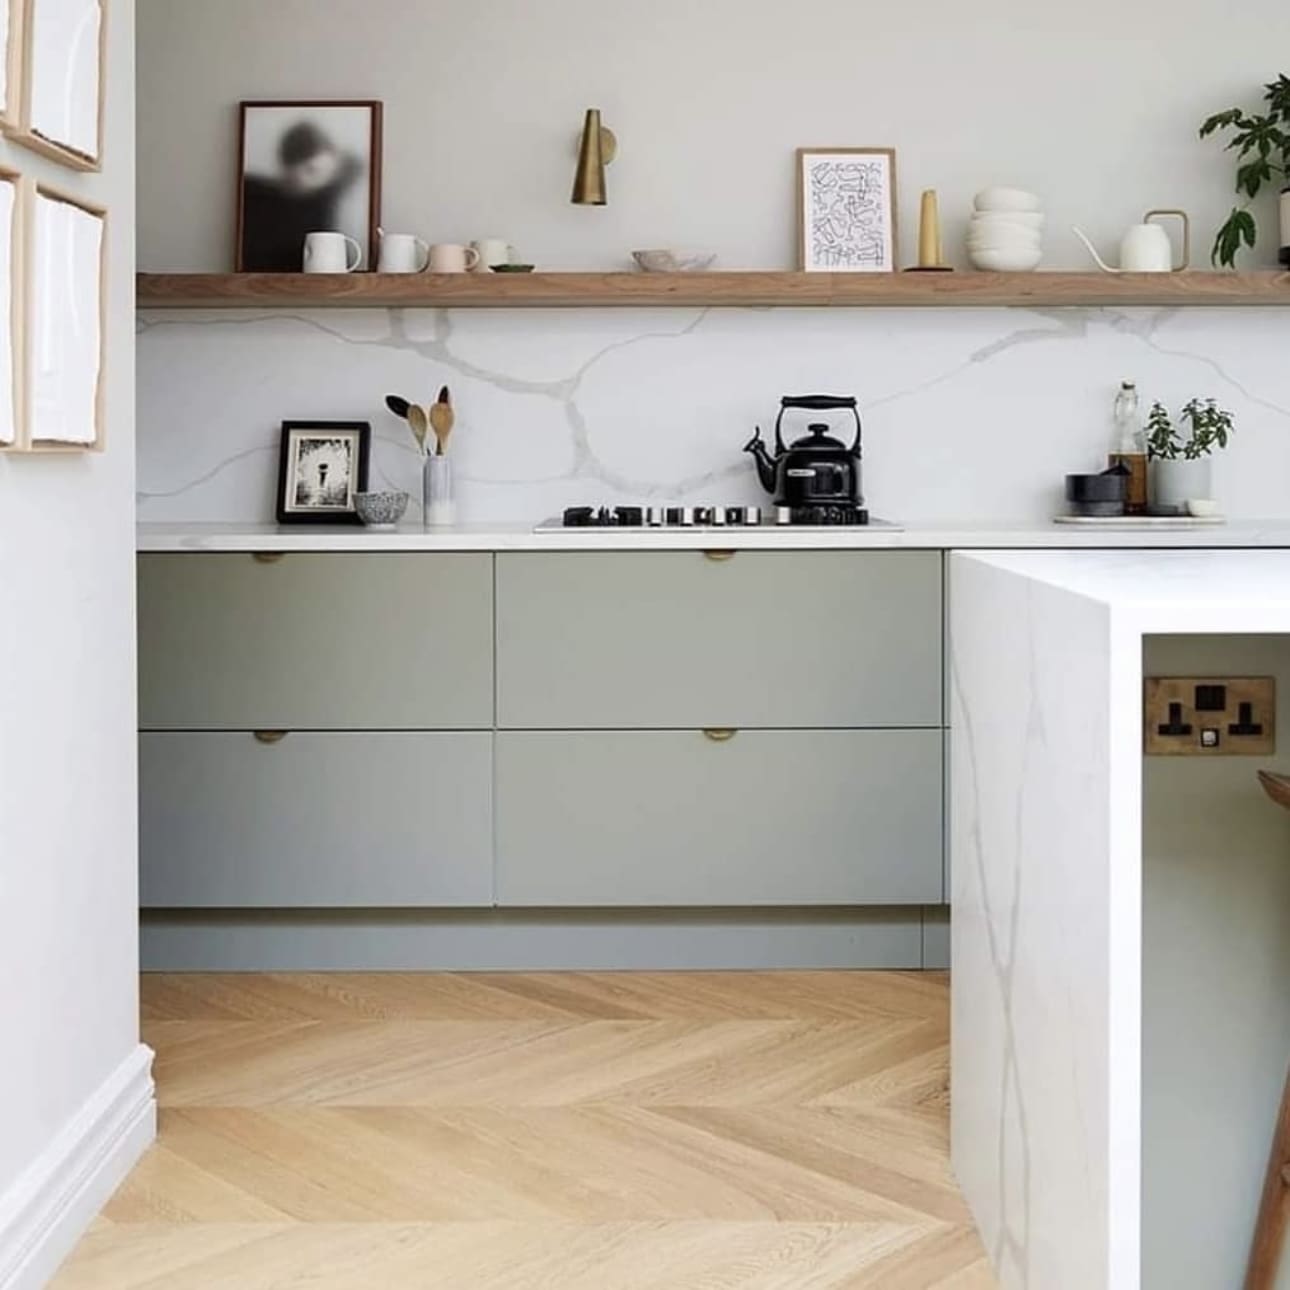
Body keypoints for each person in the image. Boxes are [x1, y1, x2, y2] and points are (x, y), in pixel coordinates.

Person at [241, 120, 363, 271]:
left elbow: (353, 165)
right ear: (290, 166)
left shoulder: (322, 199)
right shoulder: (255, 195)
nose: (321, 181)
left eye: (328, 173)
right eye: (312, 170)